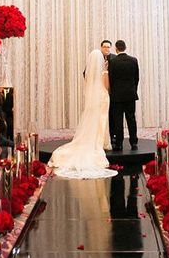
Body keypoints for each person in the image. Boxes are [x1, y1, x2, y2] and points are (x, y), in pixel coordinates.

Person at [48, 49, 117, 179]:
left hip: (92, 100)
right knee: (102, 121)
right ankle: (101, 142)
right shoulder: (104, 73)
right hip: (102, 98)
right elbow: (107, 87)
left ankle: (97, 140)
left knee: (93, 120)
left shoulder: (88, 74)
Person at [108, 40, 140, 151]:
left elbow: (110, 79)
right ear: (125, 47)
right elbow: (136, 78)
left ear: (116, 48)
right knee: (131, 119)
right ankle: (134, 142)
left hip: (117, 96)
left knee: (118, 120)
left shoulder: (113, 62)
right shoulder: (133, 60)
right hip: (130, 95)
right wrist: (133, 90)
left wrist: (113, 92)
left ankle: (119, 143)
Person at [100, 40, 116, 148]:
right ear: (101, 47)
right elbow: (86, 73)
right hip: (100, 92)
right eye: (105, 47)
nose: (107, 49)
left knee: (112, 115)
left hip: (113, 92)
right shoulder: (96, 58)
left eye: (108, 47)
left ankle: (112, 135)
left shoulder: (115, 59)